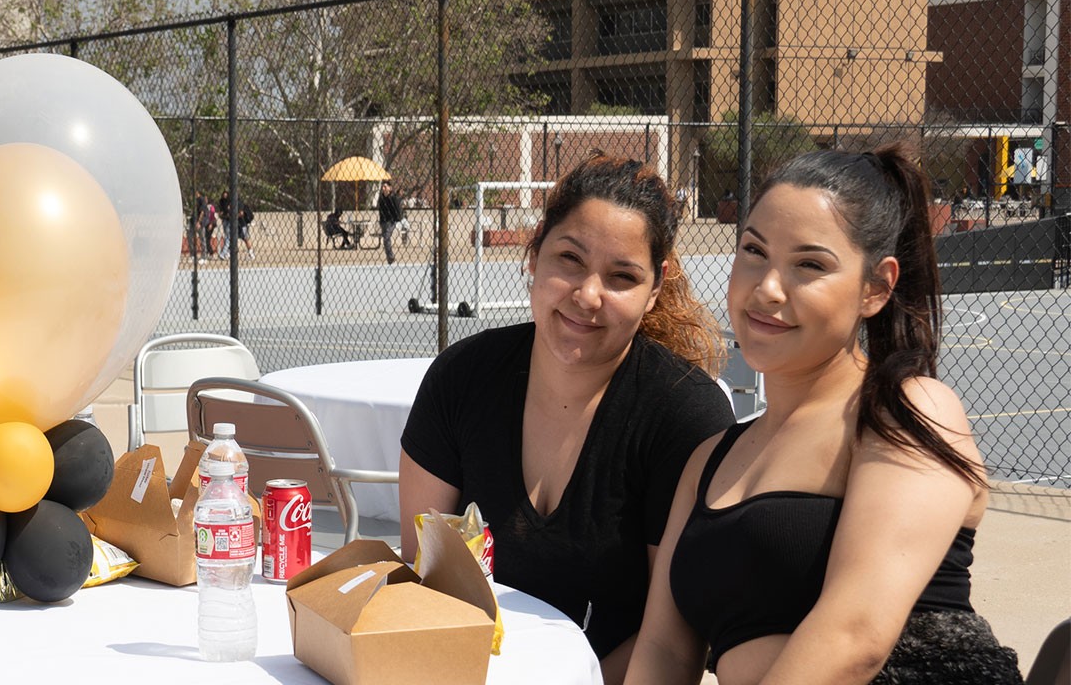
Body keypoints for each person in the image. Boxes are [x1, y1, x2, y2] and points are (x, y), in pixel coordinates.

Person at [626, 148, 1024, 685]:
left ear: (876, 287)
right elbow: (664, 652)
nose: (767, 288)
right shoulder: (707, 461)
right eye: (753, 251)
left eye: (809, 265)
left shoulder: (907, 412)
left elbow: (854, 638)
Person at [398, 157, 733, 683]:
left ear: (656, 289)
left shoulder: (685, 416)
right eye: (569, 260)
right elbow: (424, 576)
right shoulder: (461, 378)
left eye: (623, 276)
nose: (587, 295)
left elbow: (676, 641)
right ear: (535, 254)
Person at [378, 181, 404, 264]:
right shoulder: (381, 198)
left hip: (391, 221)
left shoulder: (393, 197)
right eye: (383, 187)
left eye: (385, 187)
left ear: (390, 188)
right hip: (383, 221)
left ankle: (391, 257)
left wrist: (397, 219)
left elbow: (398, 209)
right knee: (386, 240)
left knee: (386, 238)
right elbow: (381, 210)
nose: (383, 189)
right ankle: (389, 257)